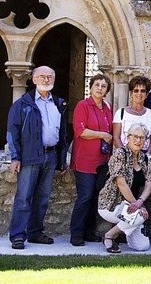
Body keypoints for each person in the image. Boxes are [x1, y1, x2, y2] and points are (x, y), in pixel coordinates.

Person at [7, 66, 68, 250]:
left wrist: (61, 158)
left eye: (50, 77)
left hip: (50, 155)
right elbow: (12, 132)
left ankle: (35, 233)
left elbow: (63, 134)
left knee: (42, 198)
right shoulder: (22, 104)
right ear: (33, 80)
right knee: (24, 198)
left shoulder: (58, 103)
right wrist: (15, 157)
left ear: (54, 80)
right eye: (42, 77)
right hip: (29, 157)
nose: (46, 80)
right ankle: (18, 236)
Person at [69, 74, 113, 246]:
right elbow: (80, 131)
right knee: (85, 196)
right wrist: (102, 135)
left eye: (103, 86)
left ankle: (89, 232)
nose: (100, 88)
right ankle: (76, 233)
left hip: (101, 161)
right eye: (97, 85)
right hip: (84, 161)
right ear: (91, 87)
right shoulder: (83, 105)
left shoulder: (107, 107)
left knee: (95, 196)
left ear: (107, 90)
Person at [97, 122, 151, 253]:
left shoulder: (145, 159)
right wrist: (136, 204)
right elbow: (121, 183)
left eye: (142, 137)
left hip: (132, 205)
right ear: (128, 137)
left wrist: (140, 202)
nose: (138, 140)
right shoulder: (120, 154)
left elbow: (149, 185)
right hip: (111, 204)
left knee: (142, 246)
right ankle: (109, 236)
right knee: (139, 216)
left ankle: (129, 229)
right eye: (135, 136)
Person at [113, 76, 151, 156]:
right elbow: (116, 138)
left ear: (146, 94)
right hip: (124, 156)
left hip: (144, 156)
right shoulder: (121, 113)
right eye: (136, 91)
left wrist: (148, 154)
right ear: (131, 93)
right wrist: (125, 155)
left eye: (142, 91)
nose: (139, 94)